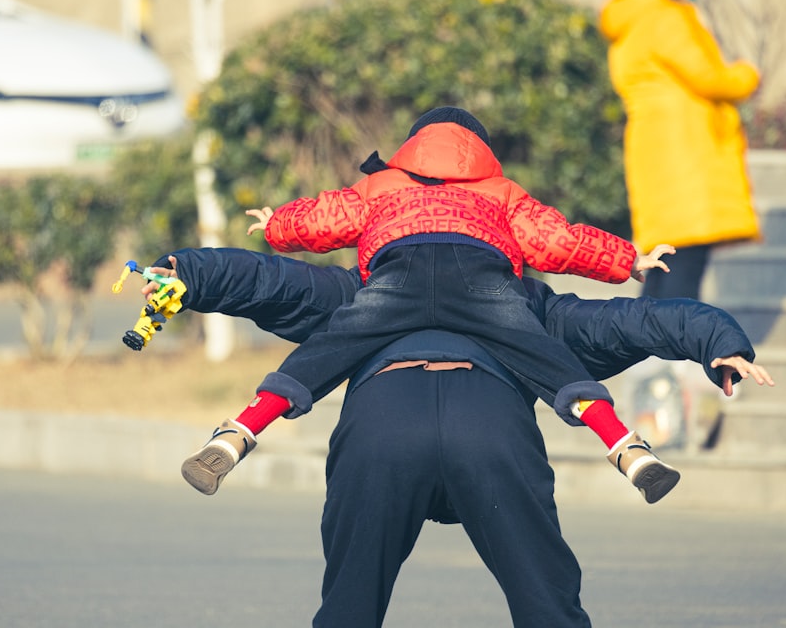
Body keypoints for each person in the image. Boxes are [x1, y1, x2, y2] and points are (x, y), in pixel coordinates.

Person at [140, 247, 773, 627]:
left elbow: (267, 280)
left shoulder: (363, 290)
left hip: (381, 430)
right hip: (489, 430)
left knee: (351, 605)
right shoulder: (529, 304)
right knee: (546, 602)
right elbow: (635, 321)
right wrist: (717, 341)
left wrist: (186, 271)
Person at [181, 106, 679, 503]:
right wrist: (629, 260)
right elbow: (557, 240)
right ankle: (628, 450)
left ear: (412, 145)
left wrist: (275, 226)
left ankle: (236, 434)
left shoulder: (383, 183)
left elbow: (326, 220)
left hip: (399, 273)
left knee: (331, 347)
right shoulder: (500, 191)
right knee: (543, 355)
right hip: (481, 276)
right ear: (481, 149)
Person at [600, 0, 761, 301]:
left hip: (654, 148)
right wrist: (747, 74)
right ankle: (676, 354)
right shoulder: (664, 14)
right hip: (686, 152)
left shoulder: (631, 16)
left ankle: (649, 351)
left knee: (664, 259)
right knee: (686, 257)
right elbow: (707, 76)